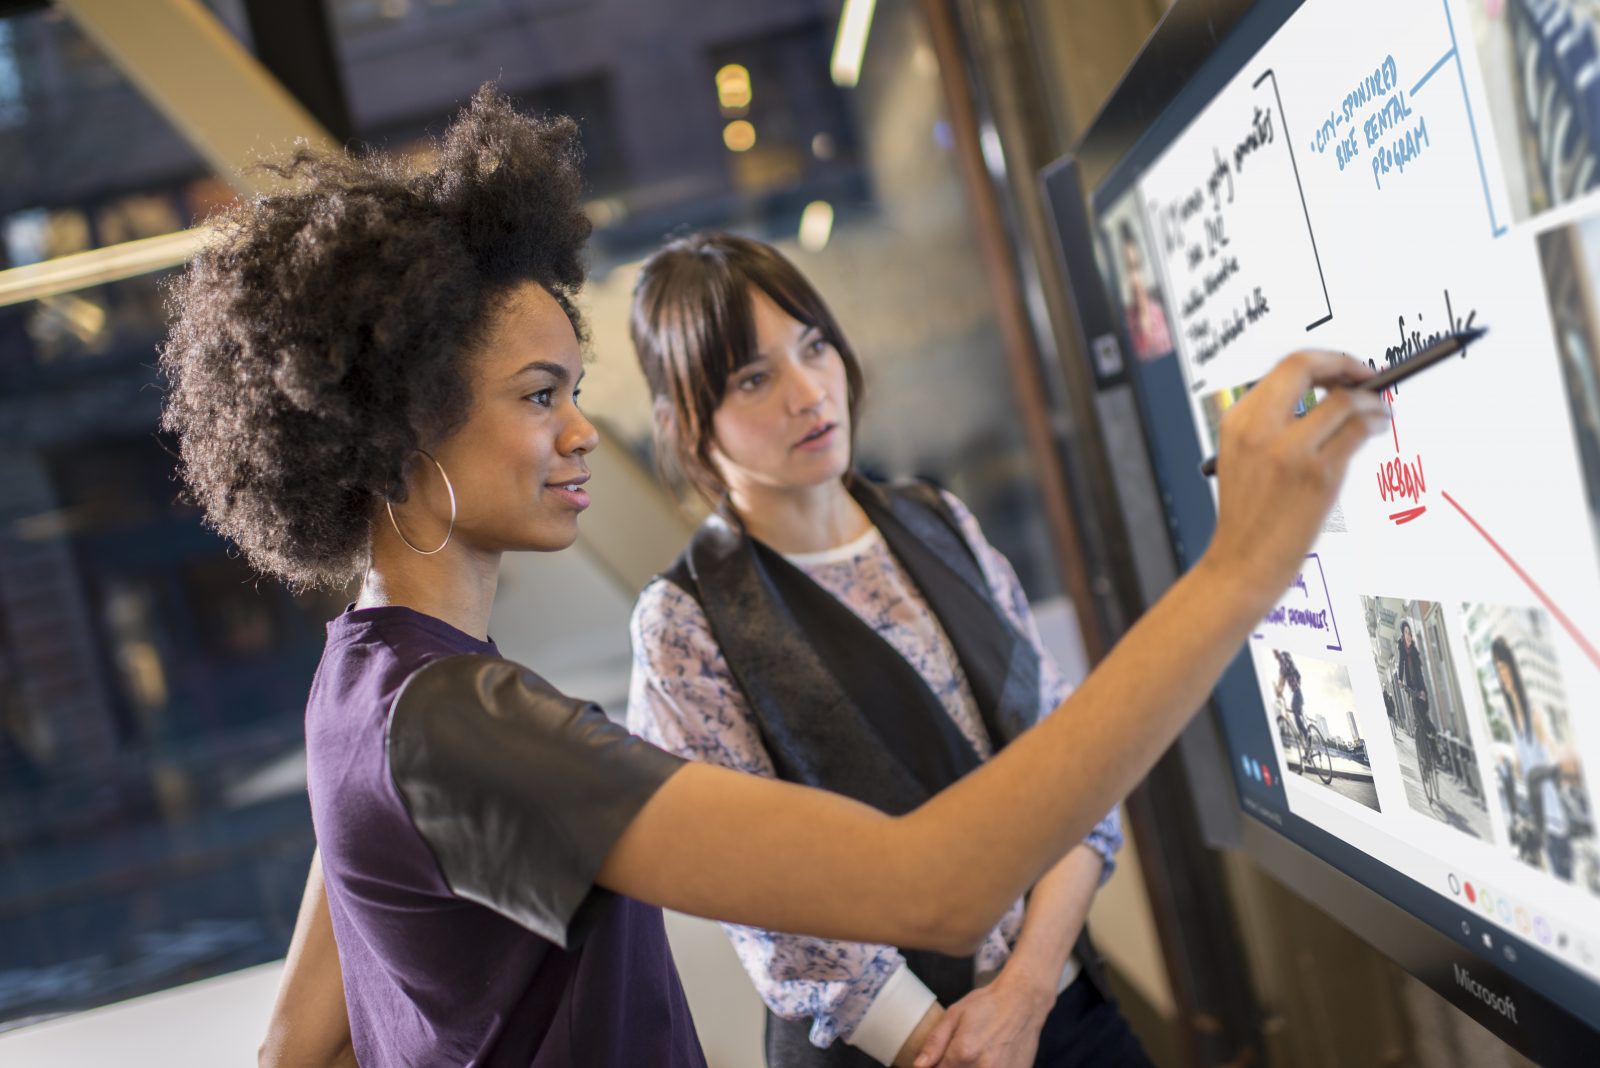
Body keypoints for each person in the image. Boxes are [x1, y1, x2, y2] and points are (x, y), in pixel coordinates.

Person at [165, 89, 1386, 1068]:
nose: (583, 432)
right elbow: (936, 886)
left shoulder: (359, 689)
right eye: (541, 398)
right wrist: (1241, 566)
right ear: (401, 429)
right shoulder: (466, 724)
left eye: (574, 392)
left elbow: (297, 1042)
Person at [624, 233, 1134, 1068]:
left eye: (814, 346)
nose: (808, 392)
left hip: (1059, 1006)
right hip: (896, 1050)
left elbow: (1076, 772)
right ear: (689, 424)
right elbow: (770, 909)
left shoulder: (937, 519)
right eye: (754, 378)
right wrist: (957, 1042)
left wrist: (1029, 993)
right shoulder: (686, 623)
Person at [1492, 636, 1580, 881]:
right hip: (1539, 823)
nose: (1501, 676)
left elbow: (1553, 754)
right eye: (1497, 670)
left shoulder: (1535, 713)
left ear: (1512, 668)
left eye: (1503, 667)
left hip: (1556, 822)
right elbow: (1521, 767)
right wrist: (1508, 762)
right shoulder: (1513, 719)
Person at [1117, 220, 1172, 361]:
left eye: (1136, 267)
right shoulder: (1123, 325)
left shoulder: (1160, 314)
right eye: (1128, 270)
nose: (1134, 279)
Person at [1396, 620, 1435, 773]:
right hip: (1411, 688)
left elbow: (1419, 673)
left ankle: (1432, 751)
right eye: (1406, 632)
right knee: (1418, 721)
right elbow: (1400, 664)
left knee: (1425, 721)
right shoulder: (1403, 650)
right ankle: (1424, 758)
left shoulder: (1414, 651)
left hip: (1420, 687)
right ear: (1402, 634)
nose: (1409, 635)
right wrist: (1399, 679)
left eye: (1409, 632)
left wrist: (1423, 691)